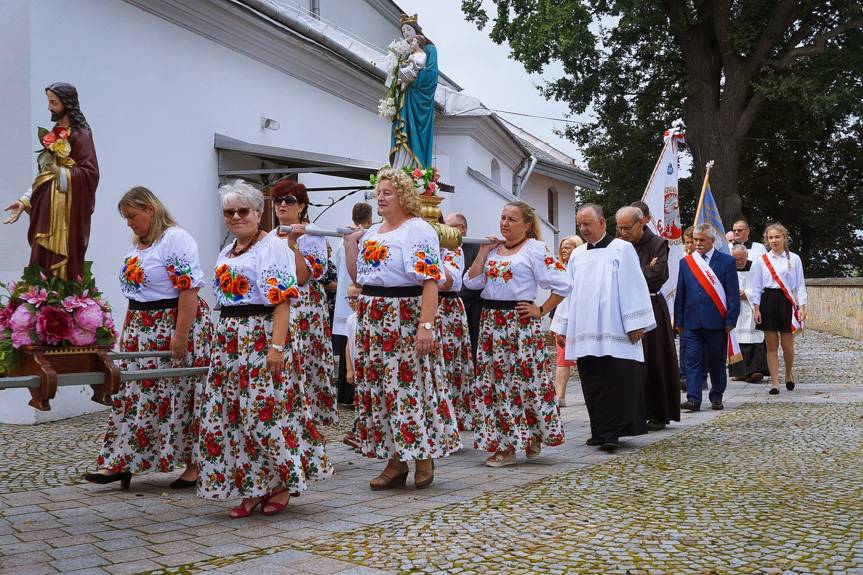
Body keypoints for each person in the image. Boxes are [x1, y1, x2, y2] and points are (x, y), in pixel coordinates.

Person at [197, 180, 331, 517]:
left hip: (261, 333)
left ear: (258, 213)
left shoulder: (272, 247)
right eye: (229, 212)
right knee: (233, 416)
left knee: (263, 413)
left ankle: (281, 482)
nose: (236, 217)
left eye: (243, 211)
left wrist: (277, 347)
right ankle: (252, 486)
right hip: (229, 338)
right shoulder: (227, 251)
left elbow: (282, 301)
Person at [84, 187, 213, 490]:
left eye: (132, 216)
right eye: (126, 218)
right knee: (134, 395)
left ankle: (195, 464)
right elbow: (135, 295)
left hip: (171, 323)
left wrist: (180, 335)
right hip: (141, 328)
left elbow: (189, 289)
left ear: (150, 209)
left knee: (182, 393)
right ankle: (121, 460)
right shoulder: (138, 247)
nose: (129, 223)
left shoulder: (175, 239)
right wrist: (126, 333)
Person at [343, 168, 459, 490]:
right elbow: (358, 278)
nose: (380, 197)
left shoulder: (417, 230)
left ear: (403, 196)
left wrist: (426, 326)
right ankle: (395, 461)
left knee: (409, 387)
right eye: (378, 192)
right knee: (381, 390)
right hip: (373, 316)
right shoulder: (372, 233)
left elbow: (430, 281)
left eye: (388, 193)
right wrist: (351, 244)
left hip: (404, 315)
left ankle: (423, 456)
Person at [465, 201, 570, 467]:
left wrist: (541, 309)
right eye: (503, 218)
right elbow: (471, 282)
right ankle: (506, 444)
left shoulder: (534, 249)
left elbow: (564, 283)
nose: (504, 223)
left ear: (526, 225)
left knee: (525, 382)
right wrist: (482, 253)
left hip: (519, 323)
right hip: (491, 323)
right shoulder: (493, 249)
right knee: (496, 384)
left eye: (511, 219)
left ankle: (532, 435)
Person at [552, 204, 654, 452]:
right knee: (592, 380)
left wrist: (635, 323)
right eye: (580, 224)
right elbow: (568, 290)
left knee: (615, 379)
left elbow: (633, 285)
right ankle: (598, 430)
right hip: (585, 328)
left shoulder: (622, 249)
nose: (583, 229)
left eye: (587, 223)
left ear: (601, 223)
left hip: (614, 326)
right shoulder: (577, 255)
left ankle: (612, 433)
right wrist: (562, 325)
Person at [4, 83, 99, 281]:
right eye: (49, 102)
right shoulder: (55, 134)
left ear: (67, 103)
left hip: (65, 216)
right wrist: (24, 200)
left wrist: (61, 172)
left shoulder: (81, 134)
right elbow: (44, 174)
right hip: (46, 212)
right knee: (41, 257)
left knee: (62, 264)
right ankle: (40, 293)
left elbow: (90, 174)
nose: (49, 107)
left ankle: (63, 292)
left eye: (54, 103)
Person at [269, 179, 338, 428]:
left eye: (289, 200)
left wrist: (293, 244)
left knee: (306, 362)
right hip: (278, 305)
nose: (282, 205)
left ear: (301, 206)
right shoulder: (270, 236)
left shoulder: (312, 233)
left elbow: (302, 276)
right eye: (278, 200)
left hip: (305, 306)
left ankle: (310, 424)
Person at [615, 206, 680, 431]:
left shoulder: (658, 244)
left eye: (627, 228)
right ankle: (632, 412)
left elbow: (657, 275)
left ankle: (657, 412)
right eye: (619, 228)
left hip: (651, 306)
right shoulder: (618, 245)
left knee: (654, 360)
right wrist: (643, 269)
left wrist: (634, 272)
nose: (623, 232)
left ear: (641, 223)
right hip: (623, 307)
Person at [675, 224, 740, 412]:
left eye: (702, 240)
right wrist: (678, 320)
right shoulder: (686, 262)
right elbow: (681, 293)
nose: (697, 243)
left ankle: (717, 396)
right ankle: (693, 399)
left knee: (716, 363)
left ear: (712, 240)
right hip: (691, 322)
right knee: (691, 362)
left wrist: (730, 320)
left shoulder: (726, 261)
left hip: (717, 322)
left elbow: (732, 294)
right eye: (695, 240)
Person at [751, 223, 808, 394]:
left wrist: (802, 306)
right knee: (771, 346)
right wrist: (756, 308)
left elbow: (800, 285)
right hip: (768, 300)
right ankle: (775, 383)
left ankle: (788, 374)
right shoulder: (762, 260)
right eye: (770, 237)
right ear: (766, 240)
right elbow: (757, 287)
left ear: (784, 238)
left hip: (786, 301)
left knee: (787, 345)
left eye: (777, 237)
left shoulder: (794, 259)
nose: (774, 240)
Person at [332, 202, 373, 405]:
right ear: (370, 219)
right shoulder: (364, 238)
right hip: (356, 293)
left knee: (347, 342)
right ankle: (350, 393)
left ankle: (345, 394)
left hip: (345, 295)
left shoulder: (343, 241)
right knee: (353, 341)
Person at [438, 241, 476, 431]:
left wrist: (430, 251)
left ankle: (452, 416)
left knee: (450, 363)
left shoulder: (453, 251)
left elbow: (446, 283)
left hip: (446, 309)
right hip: (417, 304)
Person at [390, 15, 437, 169]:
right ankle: (399, 168)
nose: (406, 33)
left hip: (418, 98)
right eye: (403, 31)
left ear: (416, 31)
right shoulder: (405, 52)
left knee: (415, 132)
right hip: (405, 96)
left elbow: (431, 74)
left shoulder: (429, 49)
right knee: (402, 129)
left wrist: (413, 80)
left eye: (409, 30)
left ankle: (415, 170)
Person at [444, 212, 482, 361]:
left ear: (463, 229)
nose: (446, 231)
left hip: (471, 307)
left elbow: (475, 280)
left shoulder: (475, 247)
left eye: (450, 227)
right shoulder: (445, 247)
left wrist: (456, 296)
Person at [729, 244, 769, 383]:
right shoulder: (728, 269)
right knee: (737, 340)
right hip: (736, 309)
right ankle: (740, 372)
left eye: (742, 258)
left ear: (747, 256)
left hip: (752, 308)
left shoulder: (756, 268)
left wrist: (747, 293)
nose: (739, 262)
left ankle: (756, 371)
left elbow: (763, 287)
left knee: (755, 339)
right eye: (736, 259)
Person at [552, 235, 583, 407]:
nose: (564, 250)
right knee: (562, 358)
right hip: (561, 318)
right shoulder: (559, 269)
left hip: (580, 318)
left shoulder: (583, 269)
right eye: (562, 247)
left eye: (568, 247)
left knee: (585, 358)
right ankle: (560, 395)